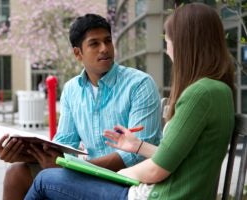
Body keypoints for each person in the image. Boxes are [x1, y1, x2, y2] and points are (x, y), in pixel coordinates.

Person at [24, 3, 236, 200]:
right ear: (78, 53)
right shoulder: (217, 89)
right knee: (27, 174)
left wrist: (118, 175)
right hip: (159, 189)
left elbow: (156, 169)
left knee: (45, 180)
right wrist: (138, 145)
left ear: (185, 44)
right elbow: (177, 155)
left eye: (168, 41)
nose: (167, 48)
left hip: (154, 195)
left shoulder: (198, 94)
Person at [0, 13, 162, 200]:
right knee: (16, 174)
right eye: (94, 44)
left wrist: (76, 169)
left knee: (48, 178)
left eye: (108, 41)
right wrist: (23, 153)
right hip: (90, 174)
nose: (104, 48)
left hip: (130, 179)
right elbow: (64, 145)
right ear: (78, 53)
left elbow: (138, 155)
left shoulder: (139, 84)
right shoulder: (72, 89)